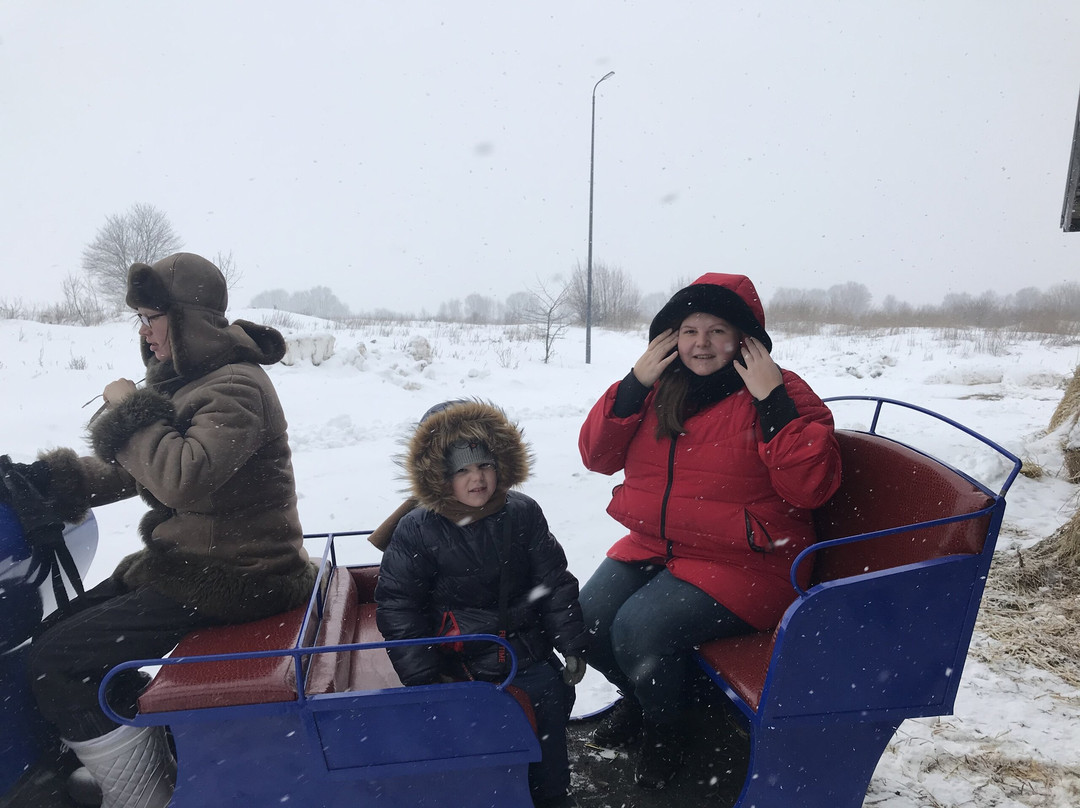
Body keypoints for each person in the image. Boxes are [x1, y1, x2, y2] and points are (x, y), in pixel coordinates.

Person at [8, 253, 316, 808]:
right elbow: (139, 467)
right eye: (141, 320)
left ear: (188, 319)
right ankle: (141, 748)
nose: (145, 333)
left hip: (241, 576)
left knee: (59, 660)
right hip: (197, 566)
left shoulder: (237, 387)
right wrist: (46, 483)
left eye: (152, 317)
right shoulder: (196, 383)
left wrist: (128, 410)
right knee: (59, 633)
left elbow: (180, 476)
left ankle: (142, 796)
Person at [577, 272, 842, 789]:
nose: (701, 344)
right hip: (658, 545)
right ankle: (644, 700)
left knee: (640, 630)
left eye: (718, 330)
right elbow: (596, 456)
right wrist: (632, 388)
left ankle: (670, 733)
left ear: (745, 340)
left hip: (751, 560)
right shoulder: (658, 391)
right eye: (689, 329)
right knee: (583, 621)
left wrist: (772, 404)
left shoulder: (783, 392)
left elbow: (811, 489)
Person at [375, 400, 590, 808]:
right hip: (461, 657)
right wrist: (423, 675)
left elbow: (554, 582)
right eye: (462, 470)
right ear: (440, 476)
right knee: (485, 733)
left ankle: (551, 793)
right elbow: (398, 607)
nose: (477, 479)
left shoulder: (522, 513)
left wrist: (572, 644)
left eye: (485, 465)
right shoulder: (418, 529)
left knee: (550, 703)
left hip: (524, 648)